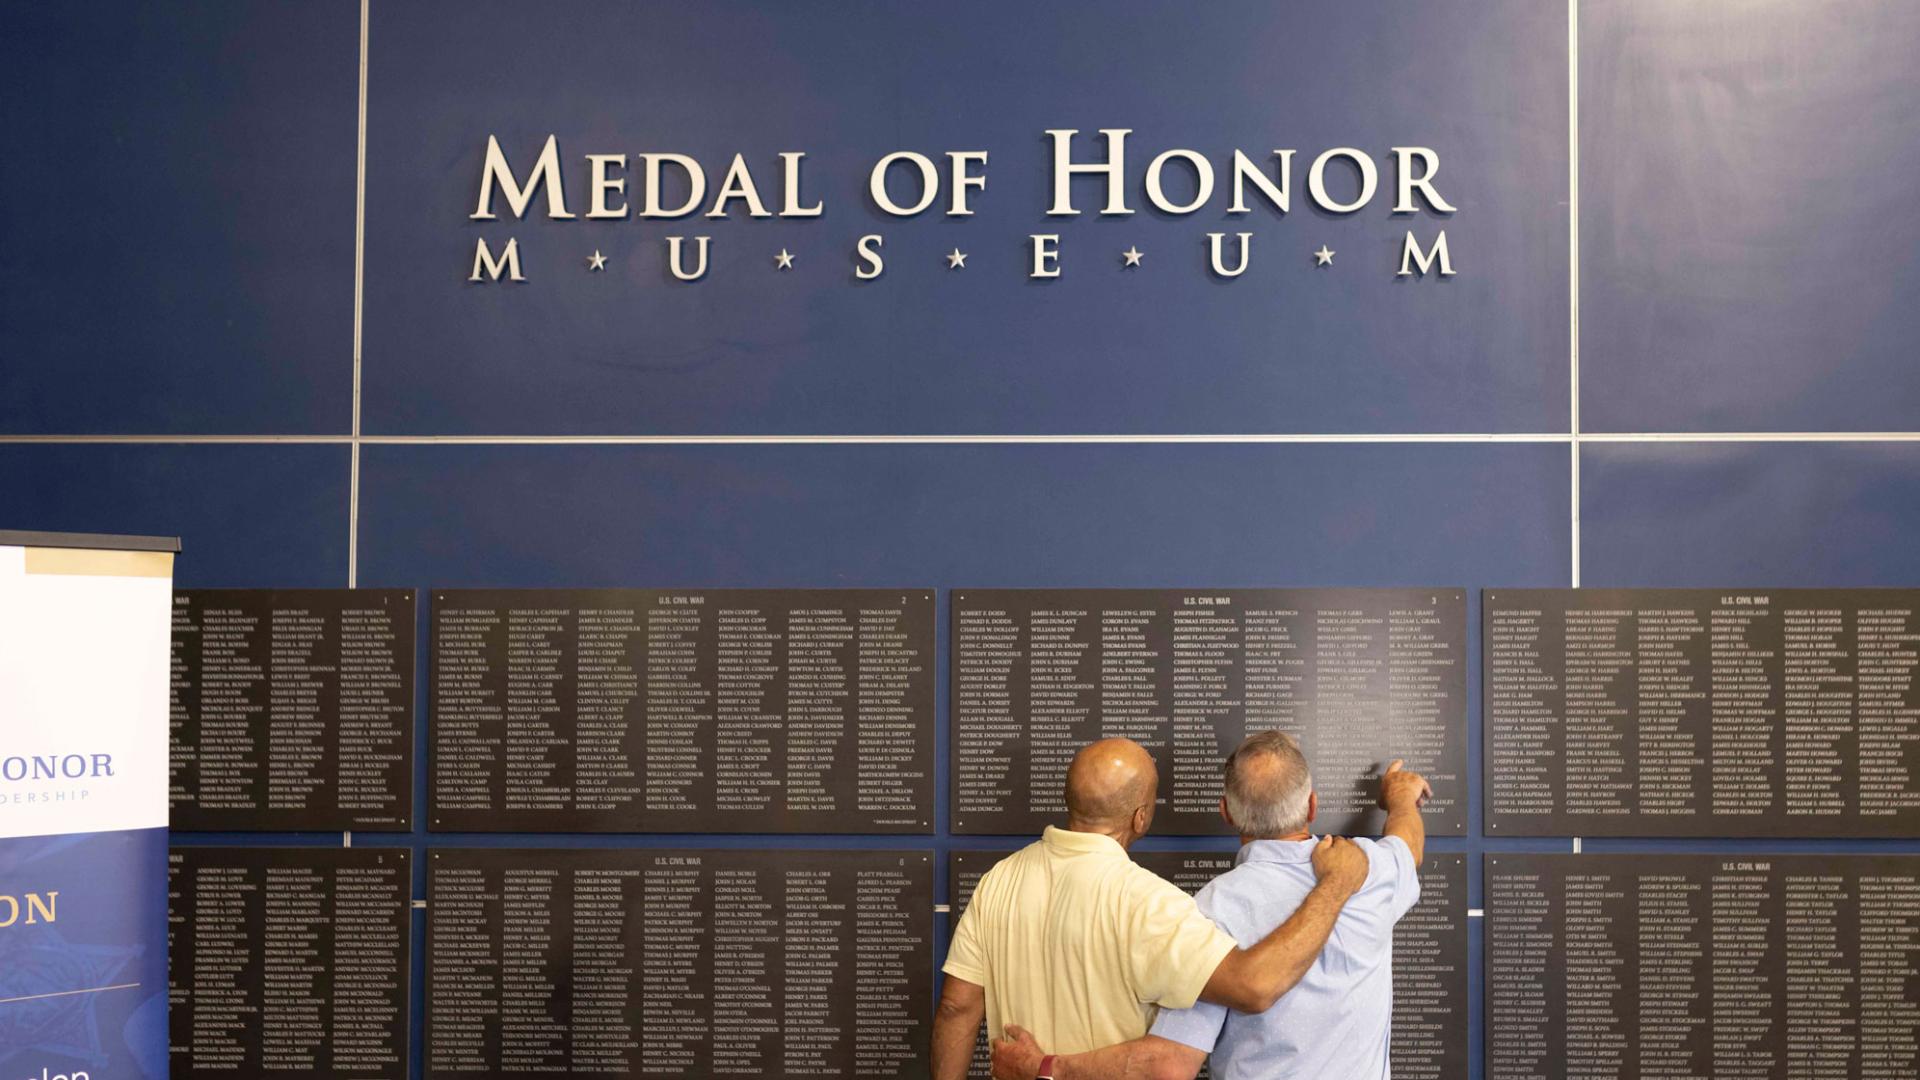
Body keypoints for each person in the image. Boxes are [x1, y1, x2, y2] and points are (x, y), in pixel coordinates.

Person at [991, 731, 1431, 1080]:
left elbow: (1170, 1064)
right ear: (1312, 805)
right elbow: (1407, 845)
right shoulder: (1368, 868)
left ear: (1227, 812)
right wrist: (1401, 798)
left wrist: (1045, 1069)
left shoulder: (1209, 911)